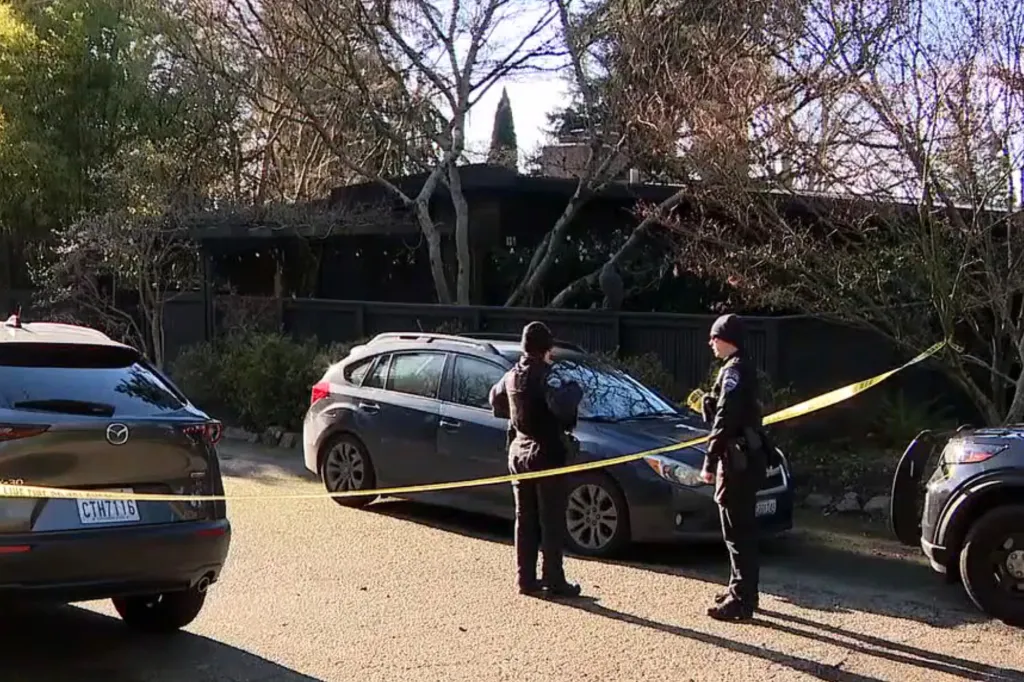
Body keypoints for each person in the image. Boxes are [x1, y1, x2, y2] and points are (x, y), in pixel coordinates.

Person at [489, 321, 584, 598]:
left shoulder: (511, 375)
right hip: (546, 453)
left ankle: (525, 580)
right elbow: (564, 408)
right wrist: (575, 389)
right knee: (551, 519)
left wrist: (520, 413)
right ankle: (554, 579)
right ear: (547, 348)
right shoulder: (546, 376)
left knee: (525, 518)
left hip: (518, 451)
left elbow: (495, 400)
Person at [699, 313, 768, 621]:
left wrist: (709, 462)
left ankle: (741, 601)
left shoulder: (734, 372)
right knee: (740, 530)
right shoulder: (740, 368)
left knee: (737, 532)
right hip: (745, 458)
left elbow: (726, 420)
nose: (710, 343)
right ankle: (740, 588)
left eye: (714, 337)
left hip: (736, 461)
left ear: (727, 339)